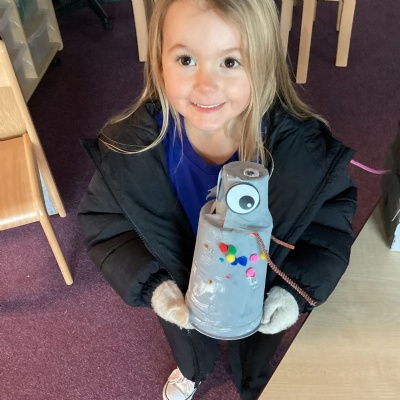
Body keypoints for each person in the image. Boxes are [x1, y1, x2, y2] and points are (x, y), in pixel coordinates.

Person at [78, 0, 357, 399]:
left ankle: (252, 379)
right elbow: (107, 226)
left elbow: (328, 228)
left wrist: (293, 292)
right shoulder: (131, 151)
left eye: (230, 62)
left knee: (258, 344)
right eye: (186, 59)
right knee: (188, 337)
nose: (205, 85)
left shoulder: (303, 154)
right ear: (160, 62)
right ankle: (193, 370)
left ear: (262, 66)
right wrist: (155, 285)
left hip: (260, 284)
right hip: (182, 281)